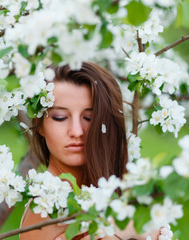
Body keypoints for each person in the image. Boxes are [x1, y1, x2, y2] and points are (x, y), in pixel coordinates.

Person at [20, 62, 159, 240]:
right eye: (60, 117)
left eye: (89, 118)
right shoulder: (46, 208)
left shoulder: (133, 191)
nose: (77, 132)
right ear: (40, 125)